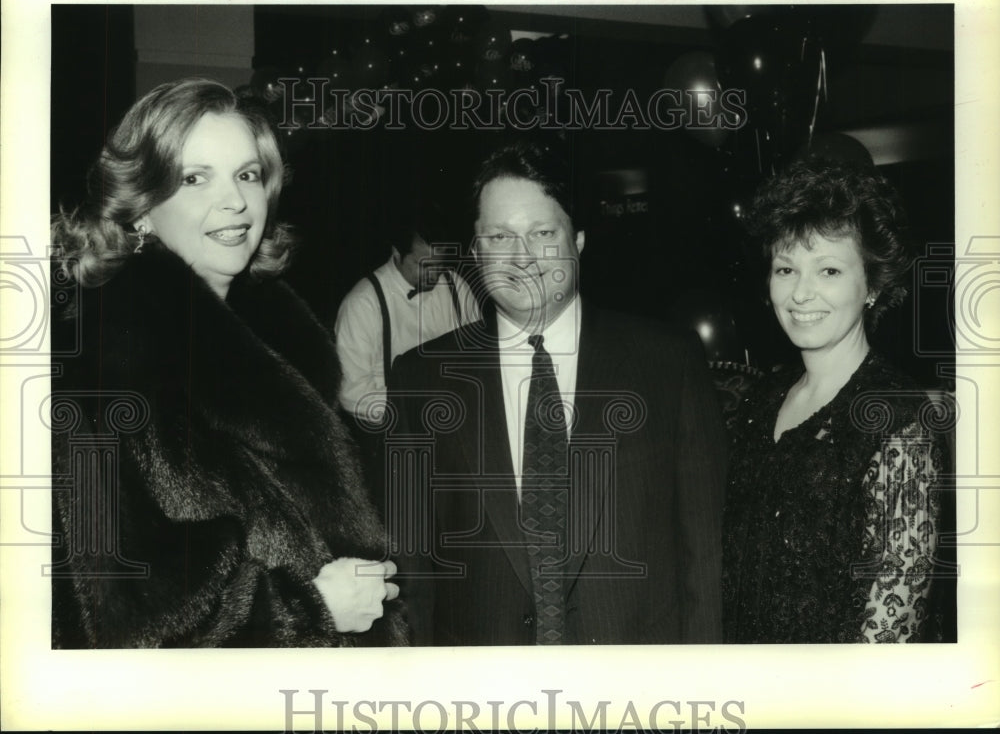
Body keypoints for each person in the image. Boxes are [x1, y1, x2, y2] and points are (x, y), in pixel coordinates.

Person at [49, 78, 407, 647]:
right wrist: (309, 609)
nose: (236, 201)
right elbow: (111, 622)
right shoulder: (100, 367)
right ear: (140, 208)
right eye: (195, 179)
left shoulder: (278, 341)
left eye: (247, 174)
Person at [387, 138, 728, 645]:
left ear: (580, 240)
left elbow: (706, 553)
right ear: (476, 251)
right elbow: (412, 569)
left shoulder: (668, 363)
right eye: (500, 237)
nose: (522, 257)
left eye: (543, 232)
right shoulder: (421, 378)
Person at [722, 157, 949, 644]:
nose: (801, 293)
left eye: (828, 270)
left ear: (872, 285)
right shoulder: (757, 403)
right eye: (786, 268)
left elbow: (889, 638)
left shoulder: (897, 422)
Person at [334, 206, 480, 426]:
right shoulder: (362, 304)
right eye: (424, 265)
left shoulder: (457, 286)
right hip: (395, 431)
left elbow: (478, 355)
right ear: (396, 254)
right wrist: (415, 408)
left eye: (439, 265)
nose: (433, 275)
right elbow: (351, 393)